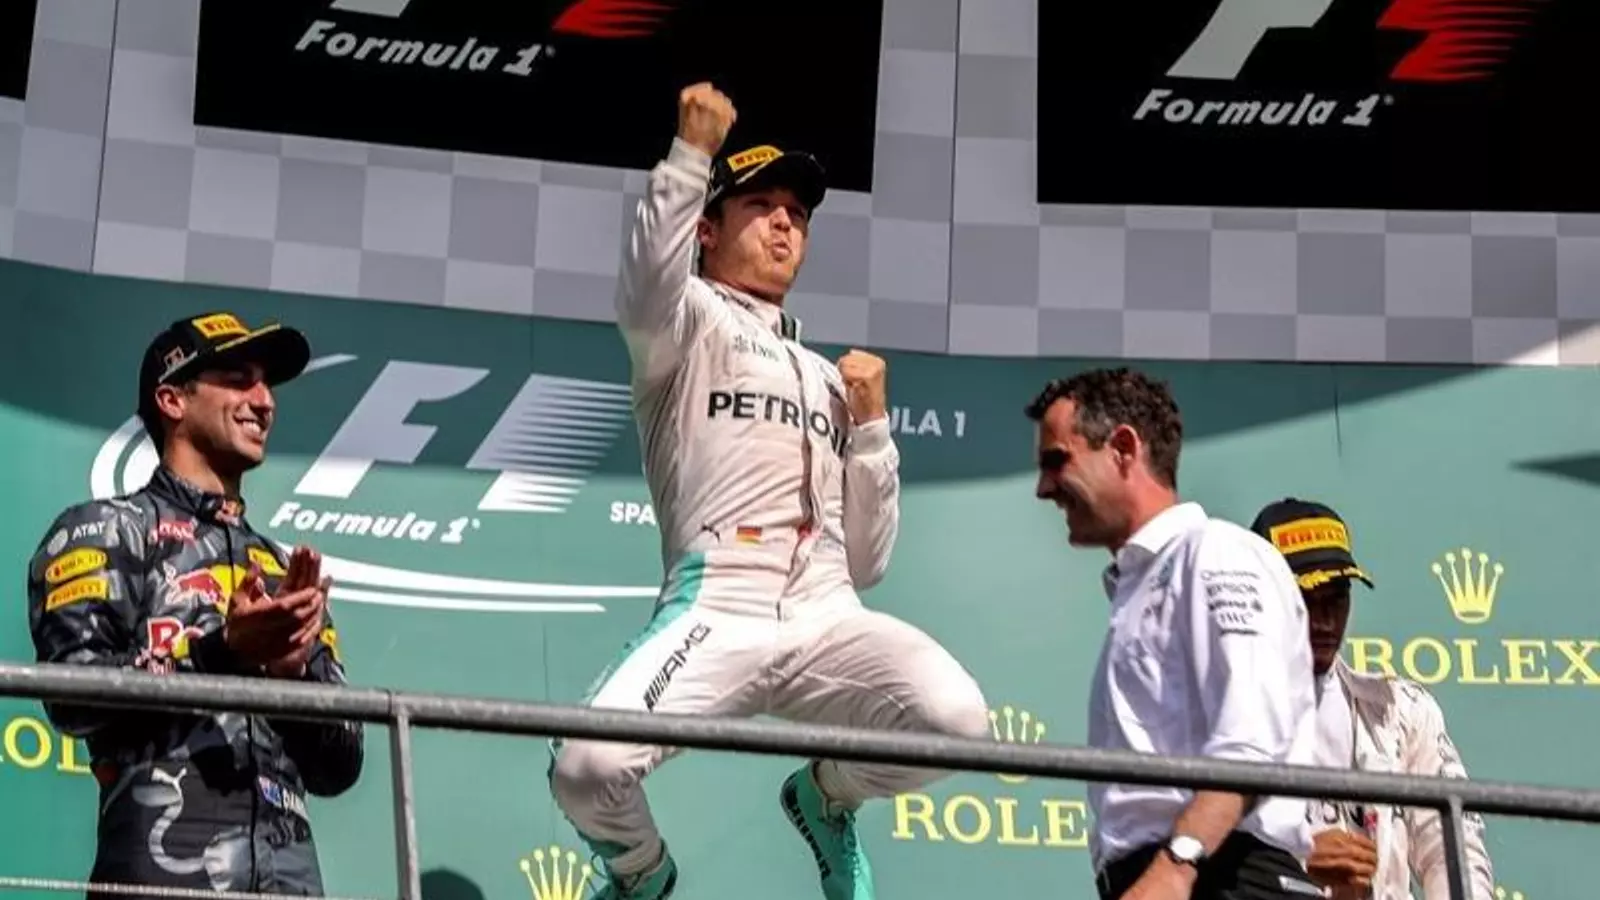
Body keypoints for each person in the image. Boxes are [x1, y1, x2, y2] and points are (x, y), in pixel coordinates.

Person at [547, 82, 990, 900]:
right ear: (708, 230)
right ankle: (641, 873)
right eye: (761, 205)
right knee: (586, 767)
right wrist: (690, 157)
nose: (786, 223)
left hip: (826, 613)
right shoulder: (686, 325)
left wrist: (874, 431)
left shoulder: (829, 376)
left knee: (959, 723)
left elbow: (868, 561)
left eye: (798, 213)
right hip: (719, 605)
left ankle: (826, 796)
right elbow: (644, 286)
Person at [26, 311, 364, 898]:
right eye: (237, 379)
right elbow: (71, 695)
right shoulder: (106, 530)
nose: (264, 401)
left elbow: (341, 765)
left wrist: (292, 676)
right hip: (161, 864)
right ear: (172, 400)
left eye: (267, 384)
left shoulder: (281, 571)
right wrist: (222, 652)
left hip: (292, 879)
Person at [1026, 368, 1324, 900]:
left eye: (1056, 460)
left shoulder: (1216, 552)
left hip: (1221, 877)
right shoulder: (1139, 583)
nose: (1044, 488)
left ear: (1123, 448)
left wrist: (1177, 865)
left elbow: (1250, 739)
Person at [1249, 498, 1496, 900]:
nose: (1324, 620)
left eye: (1337, 597)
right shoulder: (1222, 715)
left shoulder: (1401, 709)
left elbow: (1450, 844)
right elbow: (1191, 847)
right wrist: (1297, 856)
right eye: (1305, 598)